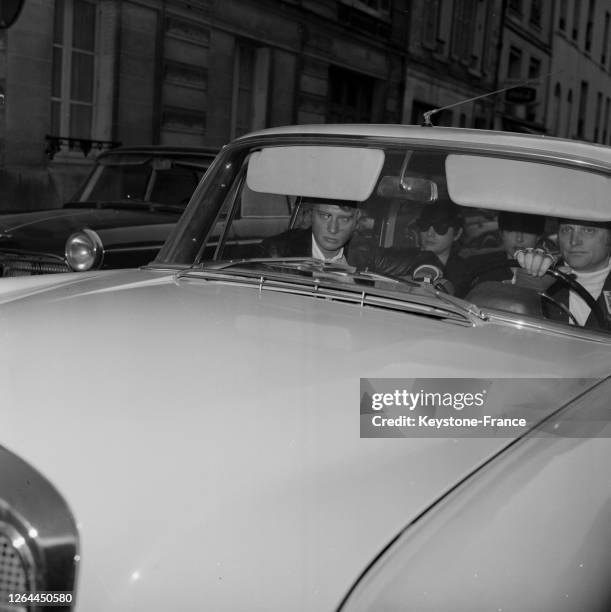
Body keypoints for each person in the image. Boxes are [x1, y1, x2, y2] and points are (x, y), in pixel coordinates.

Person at [260, 199, 438, 277]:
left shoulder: (364, 251)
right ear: (310, 215)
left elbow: (425, 258)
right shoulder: (277, 250)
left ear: (356, 221)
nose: (333, 228)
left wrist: (426, 275)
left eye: (344, 219)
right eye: (325, 216)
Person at [515, 218, 611, 330]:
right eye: (566, 230)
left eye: (588, 230)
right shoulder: (543, 274)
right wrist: (521, 294)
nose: (574, 241)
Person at [465, 211, 546, 288]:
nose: (519, 239)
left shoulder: (547, 276)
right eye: (512, 230)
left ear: (538, 236)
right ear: (501, 233)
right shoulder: (480, 268)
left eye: (528, 231)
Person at [416, 202, 468, 294]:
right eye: (425, 224)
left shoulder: (464, 272)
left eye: (440, 227)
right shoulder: (403, 262)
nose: (430, 233)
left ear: (457, 233)